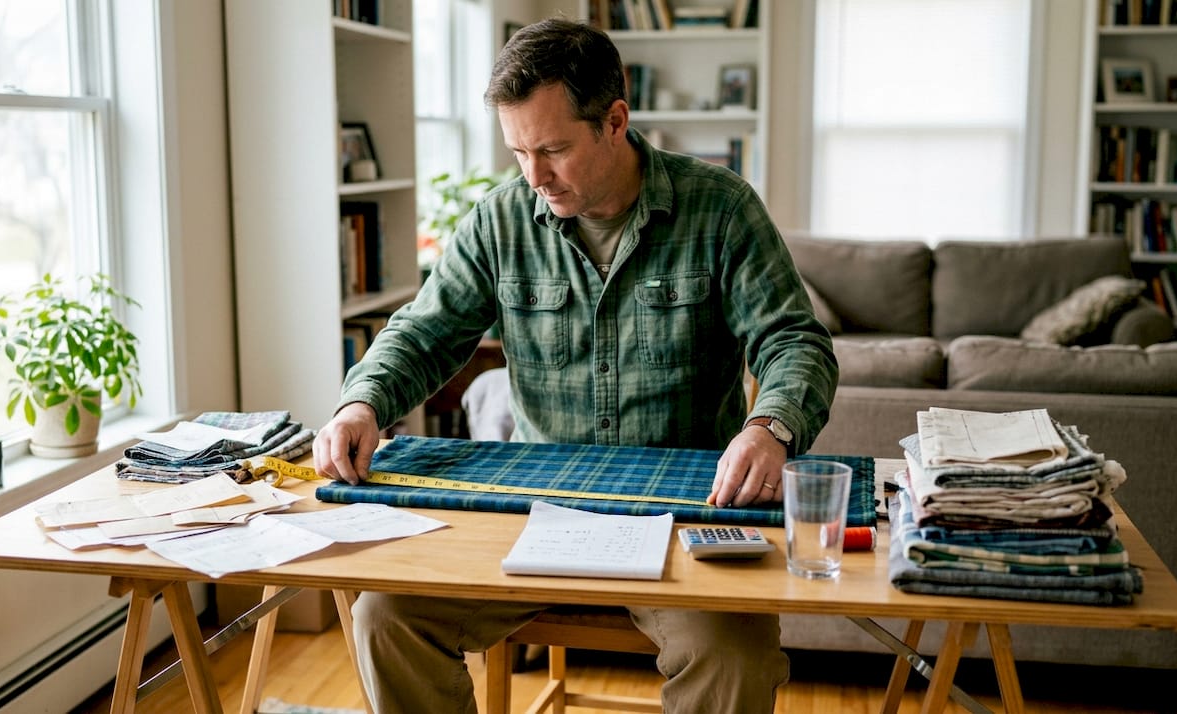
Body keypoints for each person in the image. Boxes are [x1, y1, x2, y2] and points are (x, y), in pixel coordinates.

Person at [313, 17, 838, 713]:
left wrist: (769, 427)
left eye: (553, 149)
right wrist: (363, 402)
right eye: (519, 152)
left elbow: (795, 342)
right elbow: (424, 332)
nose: (534, 177)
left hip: (685, 517)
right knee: (384, 615)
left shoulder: (721, 210)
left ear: (615, 120)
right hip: (534, 513)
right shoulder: (500, 222)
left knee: (734, 657)